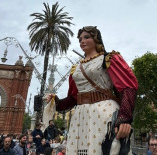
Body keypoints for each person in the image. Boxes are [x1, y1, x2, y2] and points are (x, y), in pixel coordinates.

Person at [46, 26, 138, 154]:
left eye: (86, 37)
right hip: (80, 117)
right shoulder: (76, 69)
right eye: (80, 39)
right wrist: (56, 101)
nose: (82, 41)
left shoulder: (109, 59)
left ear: (96, 39)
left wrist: (124, 118)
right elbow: (73, 98)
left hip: (104, 112)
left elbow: (128, 87)